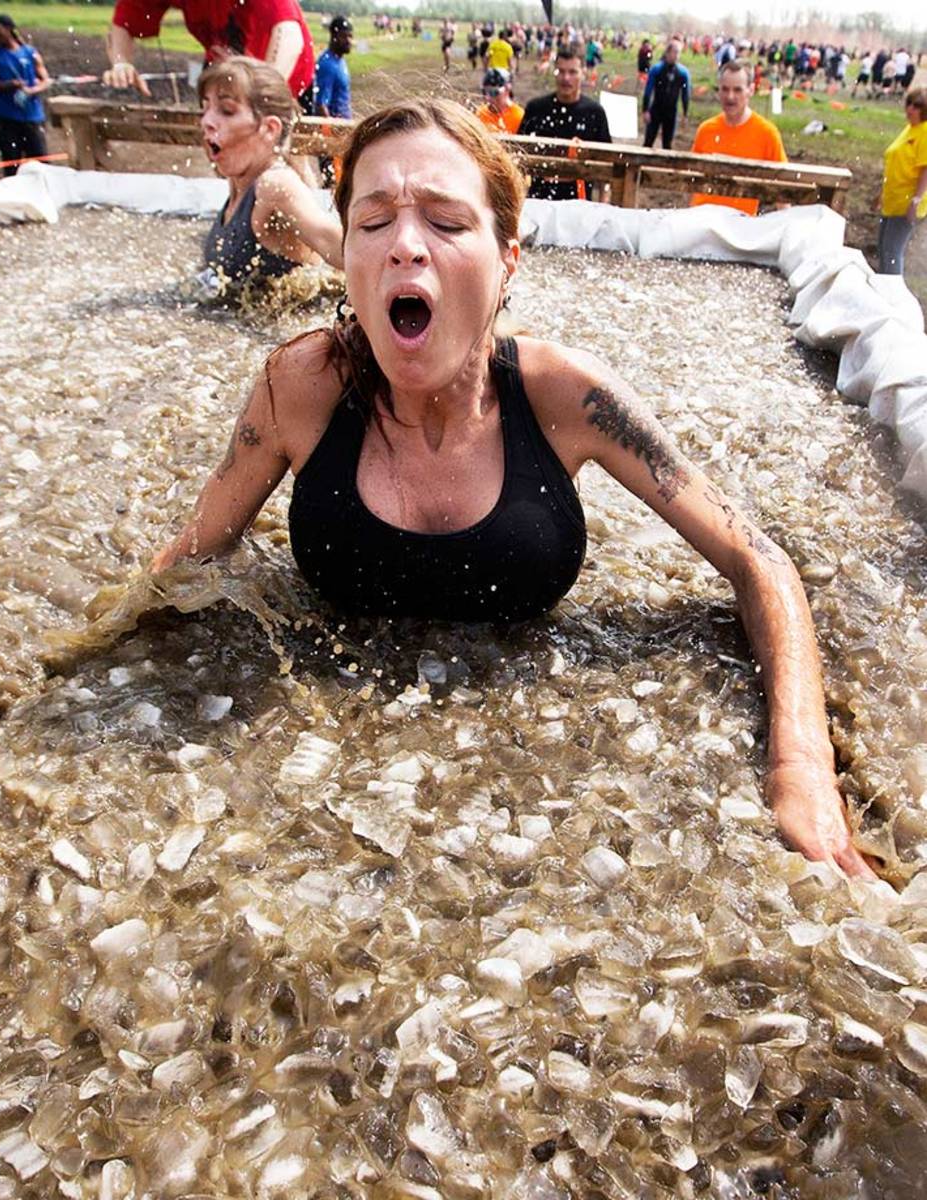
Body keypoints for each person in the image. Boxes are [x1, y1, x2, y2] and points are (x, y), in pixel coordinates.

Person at [152, 98, 875, 881]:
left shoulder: (567, 396)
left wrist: (799, 768)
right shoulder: (299, 386)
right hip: (316, 812)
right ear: (347, 253)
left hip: (537, 840)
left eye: (446, 222)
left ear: (507, 260)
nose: (404, 246)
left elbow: (757, 560)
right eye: (372, 222)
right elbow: (185, 562)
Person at [199, 57, 342, 290]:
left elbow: (335, 244)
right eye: (205, 109)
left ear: (269, 128)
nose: (206, 121)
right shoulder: (239, 183)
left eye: (226, 111)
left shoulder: (275, 184)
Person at [105, 0, 315, 110]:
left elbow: (289, 36)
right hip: (223, 66)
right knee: (222, 148)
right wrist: (121, 62)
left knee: (286, 156)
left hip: (284, 69)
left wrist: (261, 95)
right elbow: (124, 22)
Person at [690, 60, 787, 215]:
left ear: (751, 90)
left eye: (737, 90)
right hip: (702, 221)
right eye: (725, 89)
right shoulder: (706, 130)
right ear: (718, 91)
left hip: (741, 228)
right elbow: (692, 181)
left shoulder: (767, 134)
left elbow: (783, 190)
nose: (730, 96)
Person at [517, 44, 612, 202]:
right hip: (539, 203)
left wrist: (604, 207)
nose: (566, 78)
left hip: (578, 204)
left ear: (583, 73)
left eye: (572, 72)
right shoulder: (536, 109)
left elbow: (607, 167)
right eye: (561, 71)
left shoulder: (595, 113)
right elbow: (518, 159)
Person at [0, 14, 49, 178]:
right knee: (11, 165)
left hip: (32, 117)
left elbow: (45, 80)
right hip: (8, 118)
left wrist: (31, 90)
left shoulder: (30, 53)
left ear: (9, 29)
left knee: (41, 164)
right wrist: (8, 85)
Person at [878, 88, 927, 276]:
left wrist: (916, 199)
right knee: (883, 247)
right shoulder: (909, 129)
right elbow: (895, 162)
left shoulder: (925, 132)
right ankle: (883, 288)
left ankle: (892, 292)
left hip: (908, 201)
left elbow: (925, 169)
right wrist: (881, 193)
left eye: (917, 106)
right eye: (909, 103)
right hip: (893, 198)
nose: (911, 109)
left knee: (892, 250)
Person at [642, 39, 690, 150]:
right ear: (667, 53)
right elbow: (648, 90)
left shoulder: (683, 73)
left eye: (678, 53)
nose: (676, 55)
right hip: (656, 110)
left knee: (667, 144)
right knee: (648, 141)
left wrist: (685, 114)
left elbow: (685, 94)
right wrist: (645, 110)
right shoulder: (657, 69)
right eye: (674, 52)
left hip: (671, 112)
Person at [313, 15, 352, 119]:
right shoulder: (328, 65)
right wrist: (332, 131)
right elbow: (321, 106)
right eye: (344, 36)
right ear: (333, 37)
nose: (348, 41)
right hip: (336, 129)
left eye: (350, 36)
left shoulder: (339, 60)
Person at [475, 68, 524, 135]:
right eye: (484, 92)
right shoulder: (481, 114)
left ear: (507, 88)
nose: (488, 97)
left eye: (494, 92)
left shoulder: (519, 117)